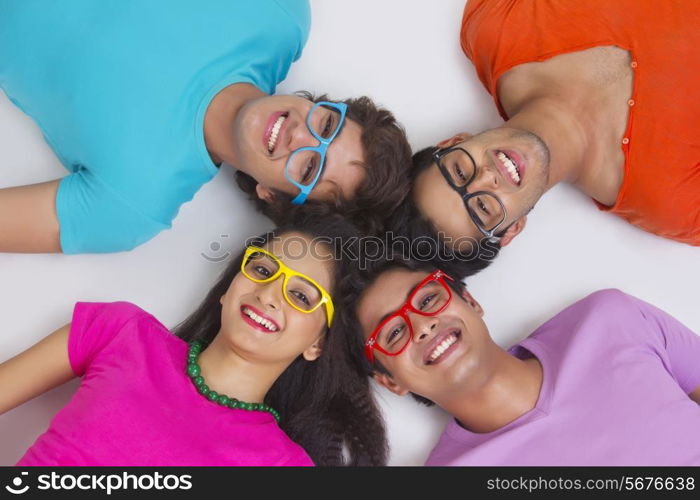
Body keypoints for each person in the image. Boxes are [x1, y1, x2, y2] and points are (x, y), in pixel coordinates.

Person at [0, 0, 411, 254]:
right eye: (326, 124)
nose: (300, 136)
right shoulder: (277, 15)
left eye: (309, 169)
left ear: (272, 196)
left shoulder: (133, 206)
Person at [0, 210, 387, 465]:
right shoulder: (121, 332)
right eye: (263, 269)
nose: (269, 294)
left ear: (317, 343)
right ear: (229, 285)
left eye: (300, 296)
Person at [345, 258, 700, 465]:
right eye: (393, 333)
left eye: (427, 300)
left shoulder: (609, 319)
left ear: (469, 301)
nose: (422, 325)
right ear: (391, 382)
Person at [411, 0, 700, 251]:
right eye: (482, 208)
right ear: (512, 229)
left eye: (459, 172)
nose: (486, 178)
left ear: (452, 142)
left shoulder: (494, 24)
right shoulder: (674, 204)